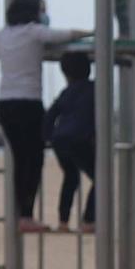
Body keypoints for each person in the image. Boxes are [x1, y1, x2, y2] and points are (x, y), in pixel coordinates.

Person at [0, 0, 90, 233]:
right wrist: (91, 32)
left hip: (5, 103)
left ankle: (22, 214)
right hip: (28, 102)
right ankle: (26, 215)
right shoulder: (34, 32)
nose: (44, 15)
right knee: (34, 158)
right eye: (42, 10)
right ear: (33, 13)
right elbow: (66, 35)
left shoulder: (4, 34)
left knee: (21, 159)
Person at [44, 51, 96, 232]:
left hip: (60, 140)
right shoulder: (94, 88)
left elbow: (50, 115)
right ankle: (89, 220)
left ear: (66, 74)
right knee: (100, 178)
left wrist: (48, 137)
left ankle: (63, 222)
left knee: (71, 178)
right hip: (79, 138)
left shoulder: (66, 92)